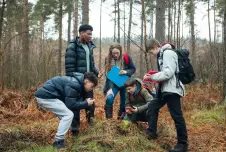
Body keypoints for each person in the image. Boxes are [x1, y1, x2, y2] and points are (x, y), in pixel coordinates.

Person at [144, 38, 188, 152]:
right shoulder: (162, 54)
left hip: (172, 89)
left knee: (177, 116)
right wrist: (153, 75)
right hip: (165, 89)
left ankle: (182, 144)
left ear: (155, 47)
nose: (152, 55)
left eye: (151, 52)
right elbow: (165, 73)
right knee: (152, 105)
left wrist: (152, 77)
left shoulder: (168, 53)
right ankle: (151, 133)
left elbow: (168, 73)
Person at [34, 72, 98, 149]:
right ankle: (58, 142)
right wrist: (86, 103)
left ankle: (60, 139)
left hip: (49, 96)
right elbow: (71, 105)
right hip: (45, 97)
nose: (91, 89)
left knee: (65, 116)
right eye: (92, 86)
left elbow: (73, 100)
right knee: (68, 115)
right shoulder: (74, 84)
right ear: (86, 81)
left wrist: (85, 101)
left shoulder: (78, 83)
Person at [65, 24, 103, 135]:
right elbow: (69, 69)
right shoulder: (73, 47)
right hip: (77, 83)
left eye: (91, 34)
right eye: (88, 33)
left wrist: (96, 72)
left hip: (89, 83)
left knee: (90, 105)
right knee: (75, 107)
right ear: (81, 33)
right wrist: (77, 80)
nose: (91, 36)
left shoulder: (90, 46)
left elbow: (92, 63)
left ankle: (91, 128)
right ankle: (75, 131)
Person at [103, 43, 136, 119]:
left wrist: (125, 72)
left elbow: (133, 69)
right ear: (110, 52)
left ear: (120, 52)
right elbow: (108, 74)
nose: (115, 55)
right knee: (109, 98)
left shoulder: (126, 58)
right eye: (113, 53)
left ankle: (120, 120)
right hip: (112, 84)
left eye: (117, 53)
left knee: (123, 103)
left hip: (124, 84)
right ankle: (109, 121)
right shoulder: (107, 59)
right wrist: (110, 89)